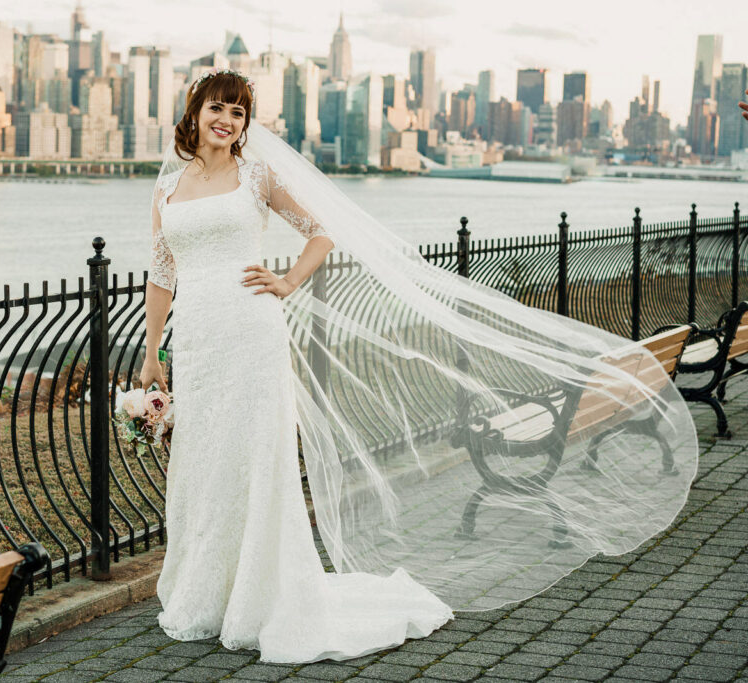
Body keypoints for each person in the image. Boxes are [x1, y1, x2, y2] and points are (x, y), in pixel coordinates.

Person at [140, 69, 698, 664]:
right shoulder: (168, 189)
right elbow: (162, 274)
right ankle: (206, 591)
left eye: (239, 113)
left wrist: (287, 281)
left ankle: (259, 597)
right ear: (194, 111)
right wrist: (153, 352)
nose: (226, 121)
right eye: (217, 108)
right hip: (198, 342)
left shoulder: (256, 175)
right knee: (203, 460)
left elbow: (321, 231)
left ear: (247, 124)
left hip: (251, 334)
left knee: (255, 459)